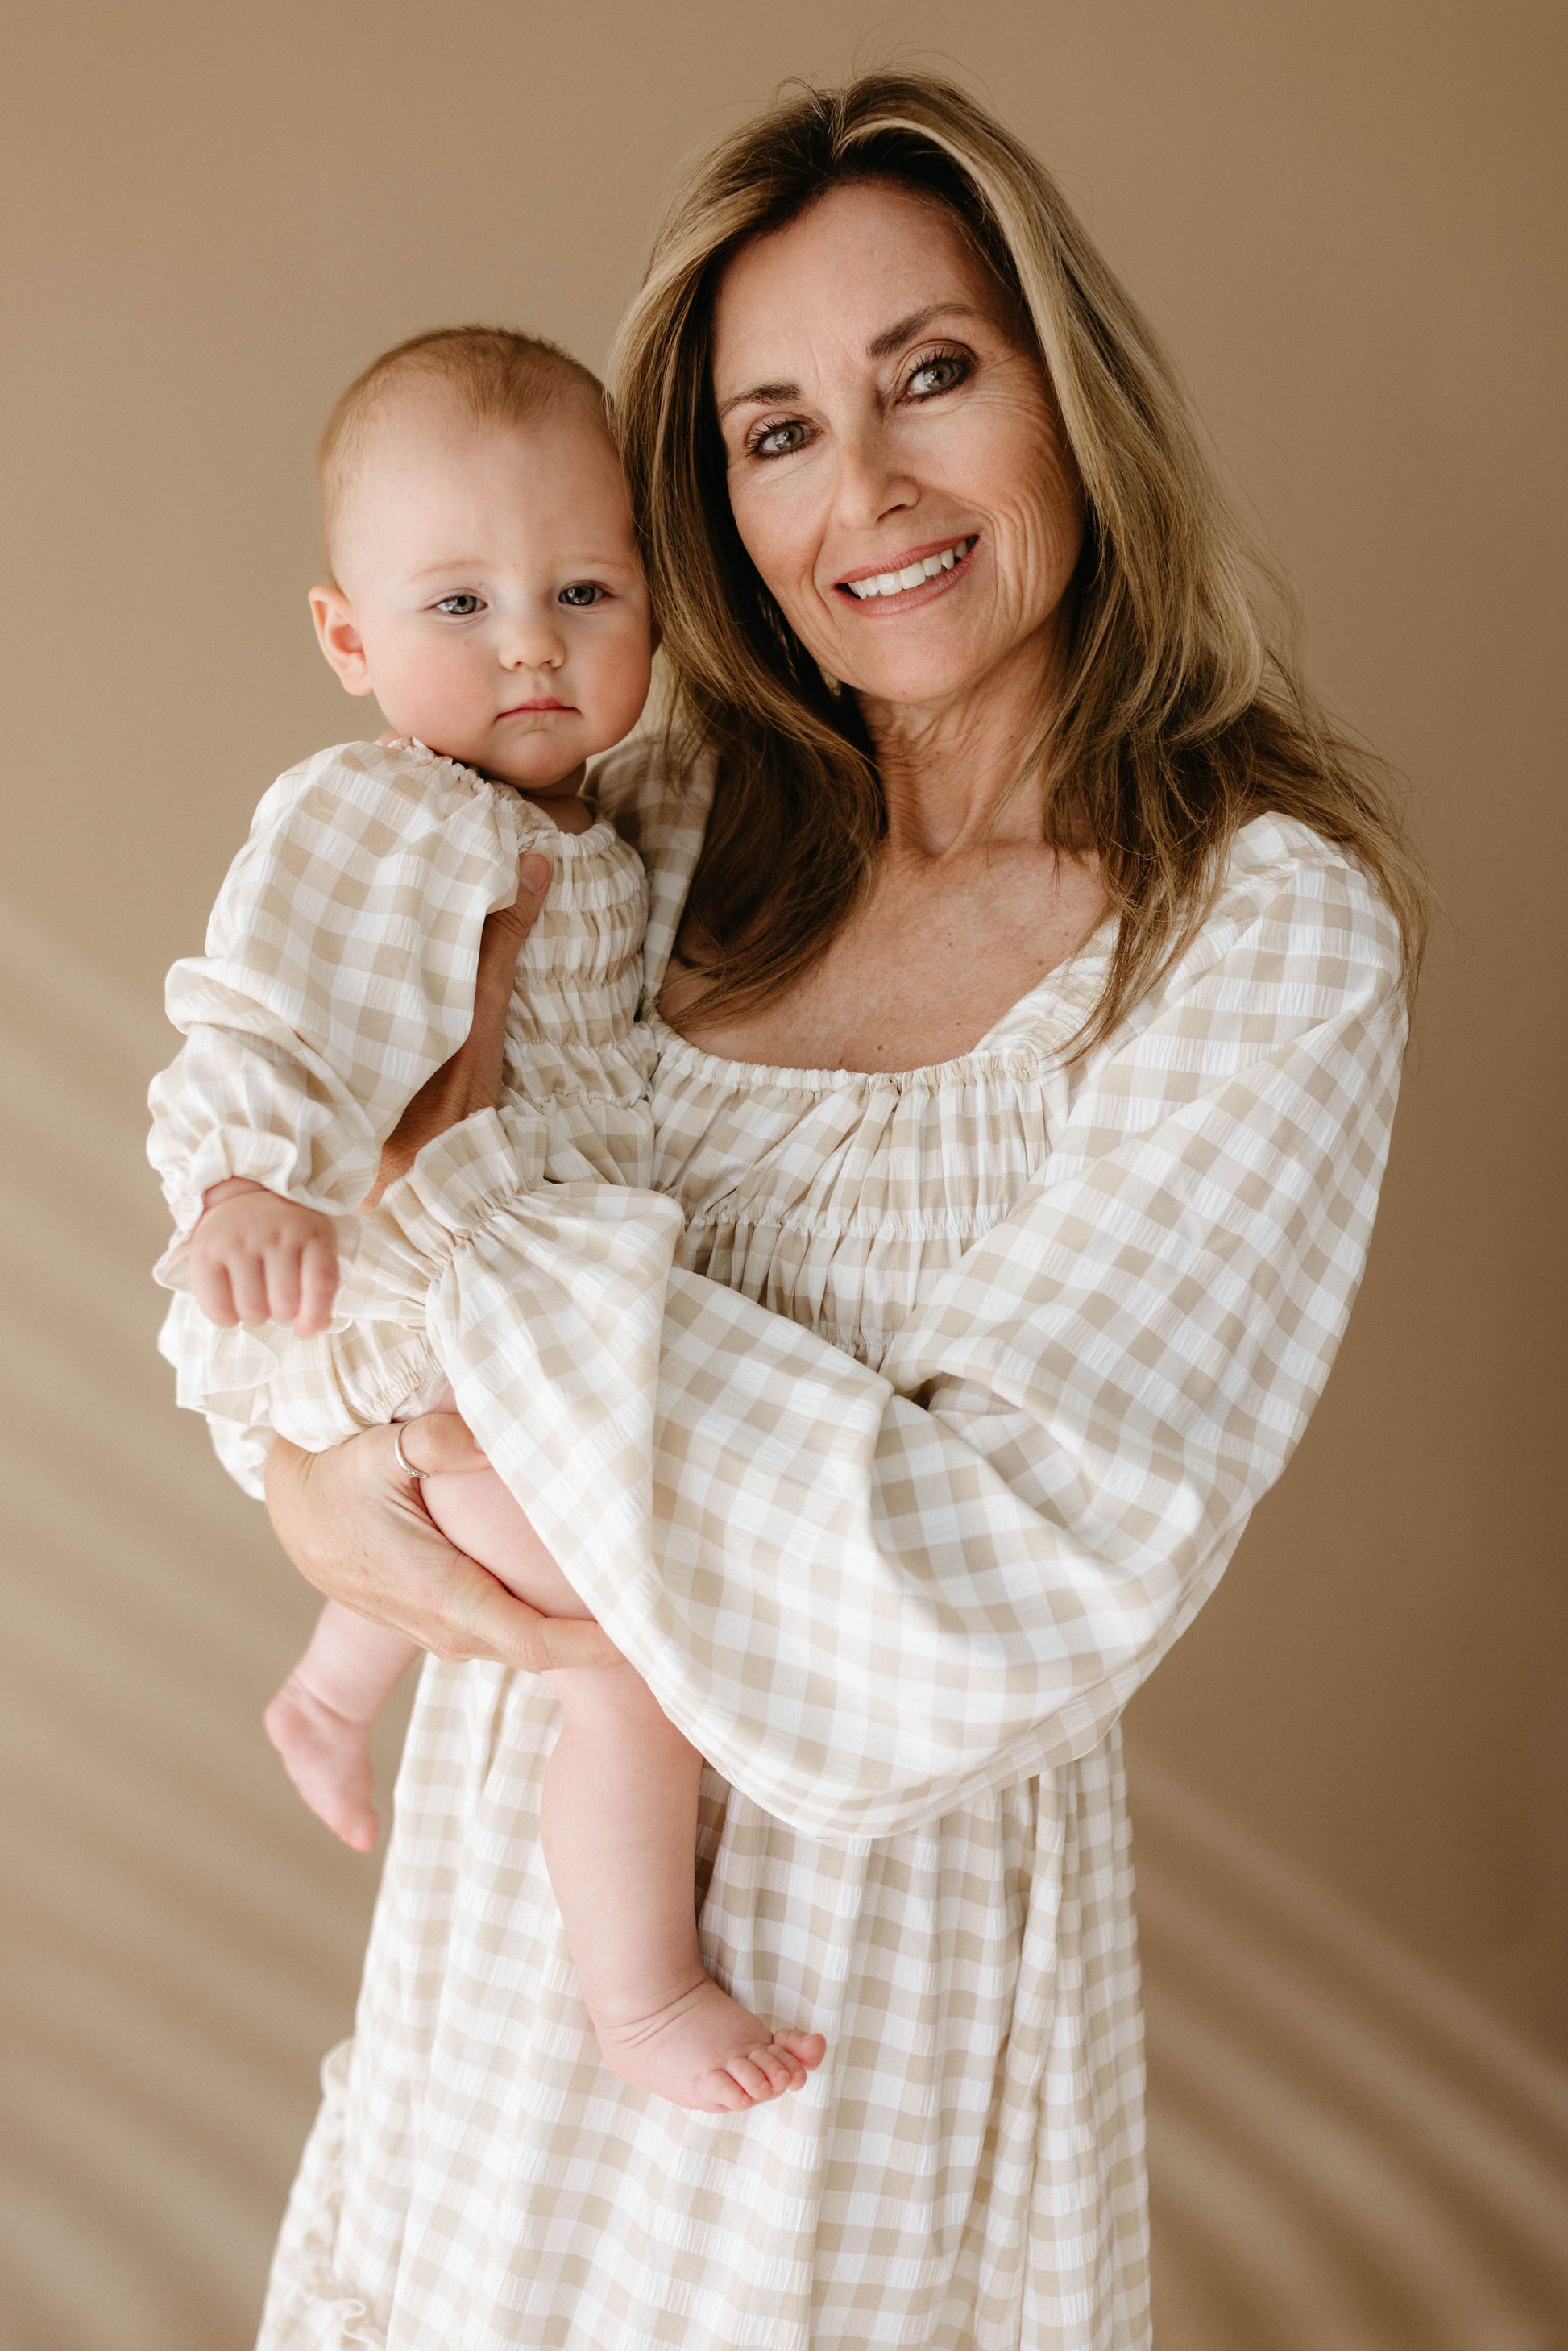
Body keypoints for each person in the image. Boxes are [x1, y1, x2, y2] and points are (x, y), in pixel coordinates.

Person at [251, 74, 1425, 2351]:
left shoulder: (1255, 930)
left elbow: (975, 1591)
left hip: (833, 2012)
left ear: (1067, 394)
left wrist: (471, 1226)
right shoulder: (639, 827)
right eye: (773, 430)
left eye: (929, 376)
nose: (864, 490)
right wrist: (337, 1474)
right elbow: (300, 1201)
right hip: (505, 1943)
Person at [149, 325, 824, 2112]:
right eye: (458, 604)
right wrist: (243, 1186)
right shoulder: (374, 812)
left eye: (582, 587)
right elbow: (258, 1010)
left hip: (499, 1310)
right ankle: (645, 1998)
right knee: (635, 1643)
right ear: (348, 640)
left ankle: (330, 1680)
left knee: (508, 1534)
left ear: (656, 620)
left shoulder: (595, 831)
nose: (531, 638)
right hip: (424, 1308)